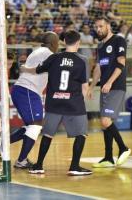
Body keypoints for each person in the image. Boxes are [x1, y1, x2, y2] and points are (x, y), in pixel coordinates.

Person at [26, 30, 92, 176]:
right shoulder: (82, 60)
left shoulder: (54, 57)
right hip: (73, 104)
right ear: (78, 42)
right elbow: (84, 87)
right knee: (81, 134)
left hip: (54, 103)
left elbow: (37, 70)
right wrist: (83, 101)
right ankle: (74, 166)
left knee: (48, 135)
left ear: (64, 42)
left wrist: (24, 68)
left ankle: (38, 165)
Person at [9, 31, 59, 169]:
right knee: (36, 125)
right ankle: (21, 160)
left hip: (26, 90)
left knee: (32, 126)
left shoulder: (39, 51)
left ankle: (3, 142)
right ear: (53, 43)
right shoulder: (48, 53)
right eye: (57, 42)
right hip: (28, 91)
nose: (58, 45)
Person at [87, 16, 131, 168]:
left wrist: (110, 82)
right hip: (105, 87)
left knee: (105, 120)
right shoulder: (100, 47)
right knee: (105, 123)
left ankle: (123, 148)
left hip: (116, 86)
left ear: (108, 26)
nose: (98, 29)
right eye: (96, 27)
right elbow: (98, 68)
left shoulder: (119, 40)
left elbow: (121, 63)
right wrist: (92, 86)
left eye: (101, 26)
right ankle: (108, 157)